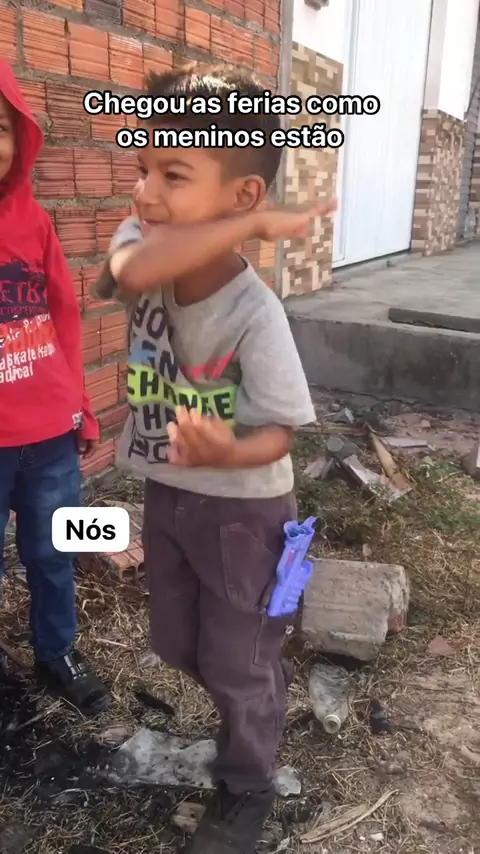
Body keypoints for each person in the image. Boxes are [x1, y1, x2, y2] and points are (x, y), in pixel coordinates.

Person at [95, 63, 335, 853]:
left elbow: (282, 434)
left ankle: (246, 787)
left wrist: (227, 447)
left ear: (241, 195)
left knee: (236, 663)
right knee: (178, 642)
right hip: (168, 497)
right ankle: (256, 679)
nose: (144, 193)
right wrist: (249, 223)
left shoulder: (255, 315)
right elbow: (130, 272)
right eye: (141, 170)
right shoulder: (143, 250)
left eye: (173, 175)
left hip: (244, 514)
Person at [0, 59, 111, 716]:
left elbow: (65, 320)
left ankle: (56, 651)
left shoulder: (35, 224)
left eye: (0, 127)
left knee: (53, 549)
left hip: (47, 434)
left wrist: (82, 408)